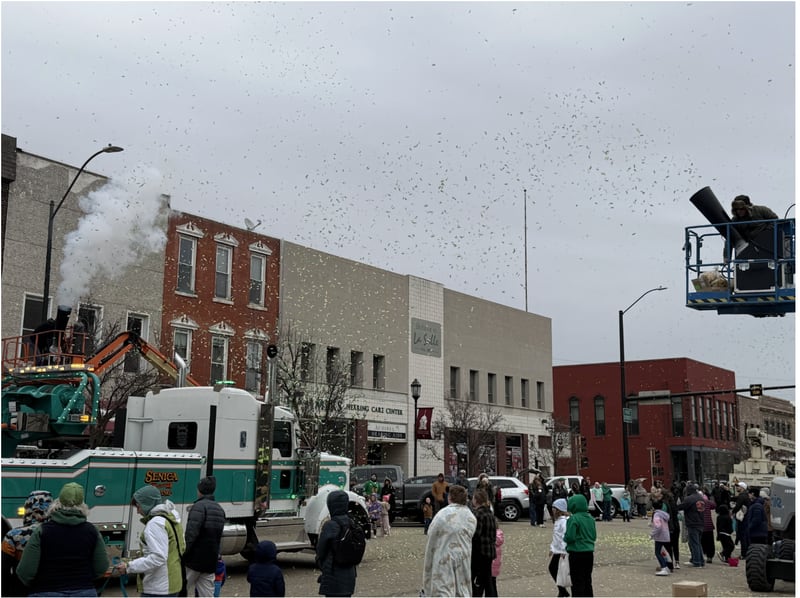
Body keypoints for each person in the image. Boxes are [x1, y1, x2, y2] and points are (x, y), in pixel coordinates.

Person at [16, 483, 109, 596]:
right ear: (83, 505)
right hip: (84, 591)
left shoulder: (42, 531)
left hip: (45, 591)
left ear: (57, 503)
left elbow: (25, 571)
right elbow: (102, 567)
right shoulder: (92, 531)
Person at [116, 484, 186, 596]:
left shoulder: (155, 524)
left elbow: (158, 557)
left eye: (138, 506)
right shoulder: (170, 519)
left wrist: (129, 566)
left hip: (158, 587)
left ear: (146, 504)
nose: (138, 511)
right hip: (172, 583)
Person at [422, 485, 476, 598]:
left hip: (444, 556)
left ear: (450, 497)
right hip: (463, 557)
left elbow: (431, 532)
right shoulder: (470, 516)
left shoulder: (442, 514)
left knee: (443, 588)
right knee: (462, 589)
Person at [1, 490, 53, 597]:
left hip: (21, 591)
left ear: (28, 508)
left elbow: (3, 571)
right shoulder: (60, 533)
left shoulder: (13, 536)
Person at [184, 475, 226, 597]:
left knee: (179, 590)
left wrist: (184, 554)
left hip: (194, 560)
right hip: (210, 562)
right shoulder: (219, 509)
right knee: (207, 594)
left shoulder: (198, 507)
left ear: (200, 490)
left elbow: (191, 534)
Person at [316, 489, 358, 597]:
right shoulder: (352, 523)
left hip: (333, 573)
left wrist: (320, 562)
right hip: (350, 574)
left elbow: (321, 550)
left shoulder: (330, 525)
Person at [725, 195, 779, 262]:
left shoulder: (761, 210)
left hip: (766, 245)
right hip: (747, 247)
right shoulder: (735, 221)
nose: (739, 211)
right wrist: (726, 257)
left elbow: (775, 220)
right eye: (736, 209)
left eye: (741, 209)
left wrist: (766, 232)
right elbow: (730, 237)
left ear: (748, 207)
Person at [564, 493, 596, 597]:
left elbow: (570, 537)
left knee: (577, 581)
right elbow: (594, 536)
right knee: (587, 580)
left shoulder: (573, 519)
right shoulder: (590, 518)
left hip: (576, 553)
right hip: (589, 553)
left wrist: (565, 538)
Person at [470, 489, 497, 597]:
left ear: (476, 500)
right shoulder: (489, 513)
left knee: (478, 581)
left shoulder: (478, 514)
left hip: (480, 552)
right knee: (487, 579)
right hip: (489, 551)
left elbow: (476, 535)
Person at [677, 483, 706, 568]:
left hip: (692, 522)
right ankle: (700, 560)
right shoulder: (701, 497)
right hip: (701, 522)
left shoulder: (689, 499)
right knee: (698, 543)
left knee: (694, 543)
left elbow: (681, 507)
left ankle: (696, 561)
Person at [547, 498, 571, 598]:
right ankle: (562, 590)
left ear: (559, 510)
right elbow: (556, 537)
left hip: (562, 551)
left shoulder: (564, 521)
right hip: (557, 550)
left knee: (554, 568)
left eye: (554, 508)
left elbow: (564, 536)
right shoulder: (557, 521)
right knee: (554, 569)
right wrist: (552, 549)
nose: (552, 510)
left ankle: (563, 591)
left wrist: (564, 550)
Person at [743, 486, 768, 558]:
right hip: (758, 532)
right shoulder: (756, 504)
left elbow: (756, 520)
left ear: (753, 494)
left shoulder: (757, 505)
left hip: (758, 533)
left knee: (757, 552)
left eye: (749, 494)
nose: (748, 495)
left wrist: (749, 528)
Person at [650, 499, 672, 576]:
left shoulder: (656, 515)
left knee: (657, 552)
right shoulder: (663, 514)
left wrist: (652, 534)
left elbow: (658, 526)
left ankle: (664, 567)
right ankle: (667, 566)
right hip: (666, 535)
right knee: (664, 552)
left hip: (660, 536)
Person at [700, 489, 717, 564]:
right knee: (710, 541)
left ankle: (703, 554)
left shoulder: (697, 503)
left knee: (702, 541)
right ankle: (710, 556)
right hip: (709, 525)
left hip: (701, 525)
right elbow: (714, 505)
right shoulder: (707, 502)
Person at [490, 519, 504, 597]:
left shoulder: (498, 533)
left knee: (492, 582)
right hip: (494, 562)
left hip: (494, 563)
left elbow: (499, 541)